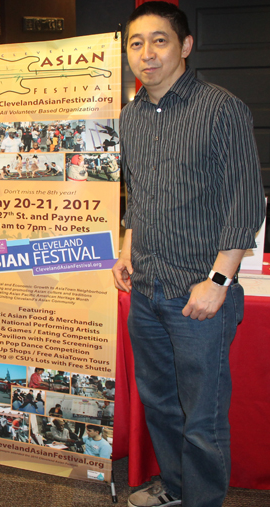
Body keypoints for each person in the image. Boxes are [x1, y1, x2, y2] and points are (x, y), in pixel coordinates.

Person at [112, 3, 265, 507]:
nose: (147, 53)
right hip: (146, 291)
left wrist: (219, 281)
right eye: (137, 43)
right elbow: (138, 194)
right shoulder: (131, 117)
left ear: (185, 46)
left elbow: (245, 203)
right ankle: (176, 489)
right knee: (160, 404)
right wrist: (127, 249)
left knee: (202, 417)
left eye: (160, 40)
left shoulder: (221, 109)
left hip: (199, 295)